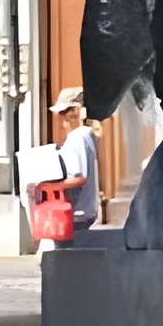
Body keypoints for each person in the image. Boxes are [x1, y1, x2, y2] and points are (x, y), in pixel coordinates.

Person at [48, 87, 101, 241]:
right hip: (83, 212)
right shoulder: (87, 135)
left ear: (76, 111)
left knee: (68, 259)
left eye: (65, 113)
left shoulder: (77, 138)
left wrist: (49, 187)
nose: (62, 119)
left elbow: (79, 177)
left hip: (76, 213)